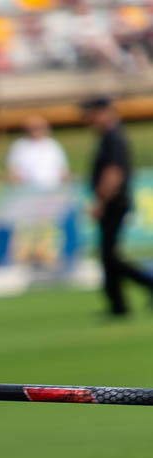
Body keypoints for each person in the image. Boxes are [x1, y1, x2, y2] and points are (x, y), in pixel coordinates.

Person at [82, 95, 153, 316]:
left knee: (110, 255)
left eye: (92, 113)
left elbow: (113, 173)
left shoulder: (113, 137)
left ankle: (140, 289)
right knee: (108, 255)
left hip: (114, 202)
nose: (89, 118)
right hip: (113, 202)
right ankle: (118, 305)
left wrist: (100, 202)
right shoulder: (108, 136)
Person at [6, 115, 70, 191]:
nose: (36, 130)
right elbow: (13, 172)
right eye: (33, 128)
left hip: (53, 189)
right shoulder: (19, 146)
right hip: (28, 190)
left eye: (39, 127)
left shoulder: (53, 145)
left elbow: (63, 170)